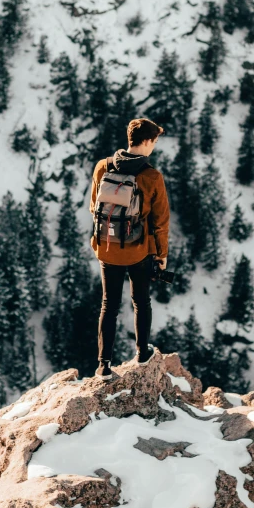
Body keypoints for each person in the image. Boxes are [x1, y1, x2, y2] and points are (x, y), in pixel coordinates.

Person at [89, 118, 170, 380]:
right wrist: (162, 255)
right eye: (154, 141)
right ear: (147, 141)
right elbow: (160, 222)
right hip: (138, 251)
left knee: (108, 305)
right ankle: (142, 352)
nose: (154, 146)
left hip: (107, 247)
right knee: (141, 301)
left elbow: (94, 207)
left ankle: (103, 364)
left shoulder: (103, 166)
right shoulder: (151, 176)